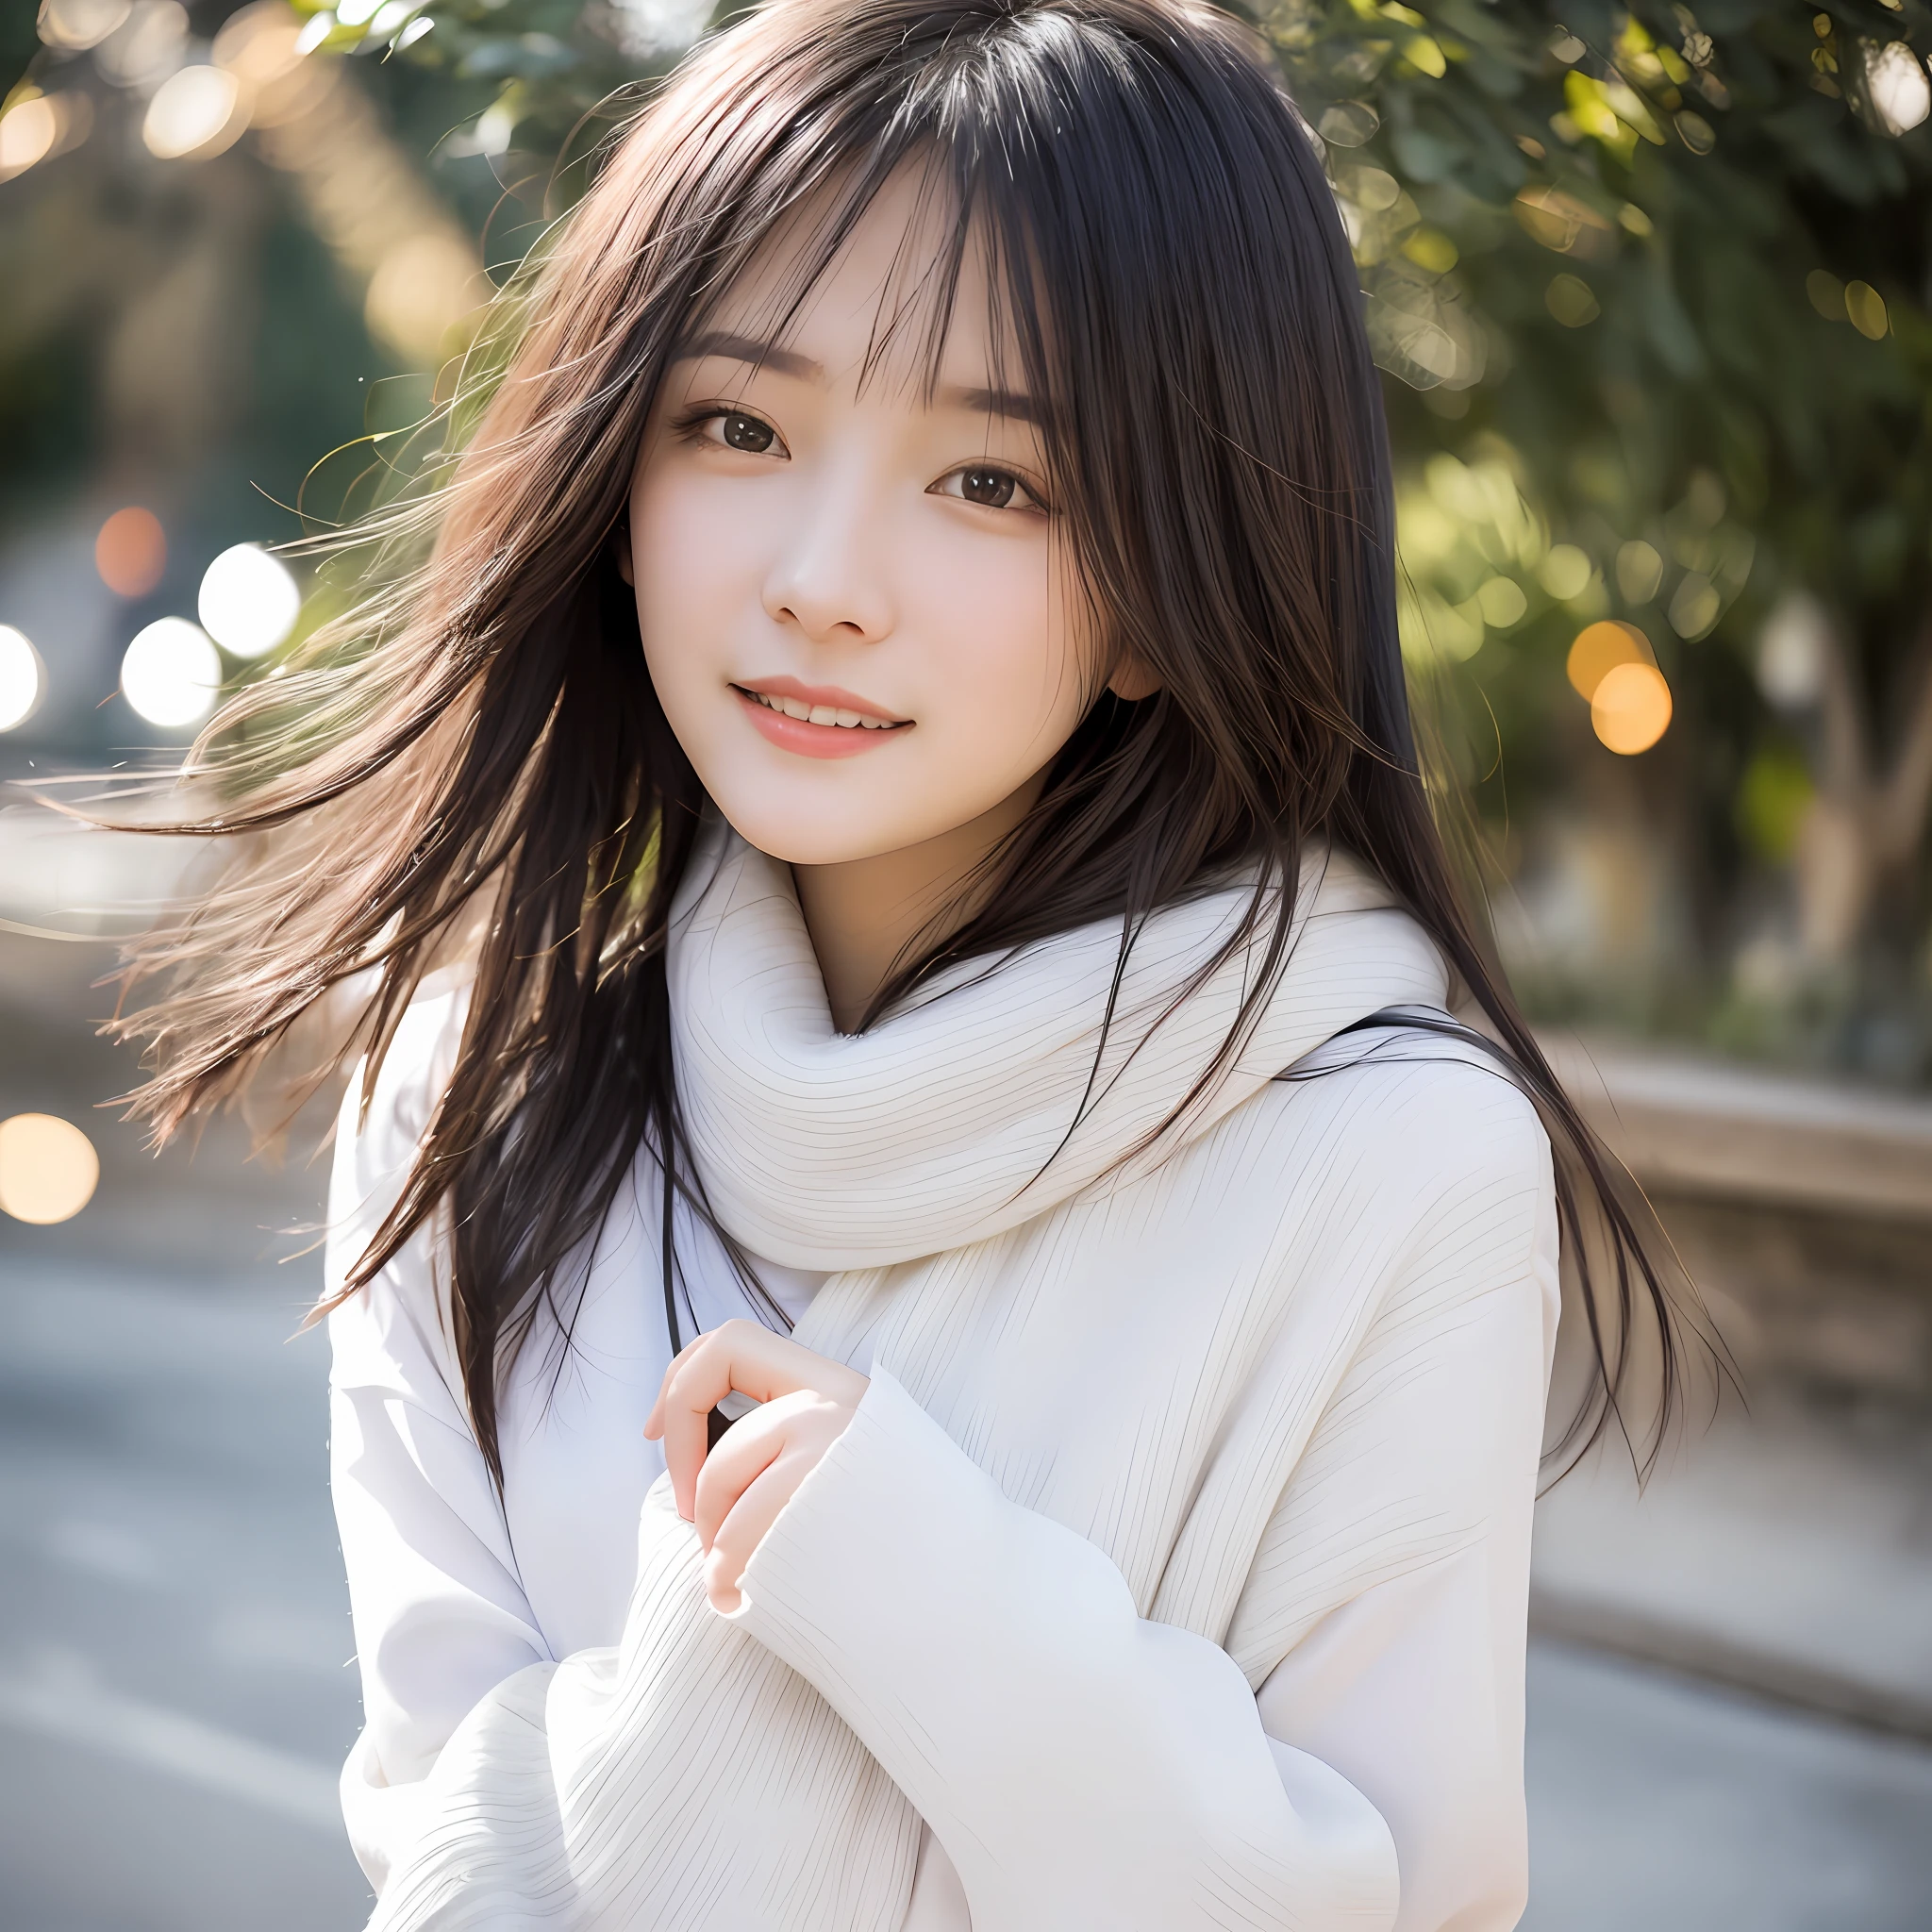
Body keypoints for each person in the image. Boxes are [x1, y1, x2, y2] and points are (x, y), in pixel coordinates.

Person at [113, 2, 1687, 1926]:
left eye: (993, 483)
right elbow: (442, 1848)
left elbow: (1396, 1903)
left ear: (1162, 595)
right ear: (618, 480)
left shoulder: (1388, 1162)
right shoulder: (472, 1097)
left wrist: (912, 1582)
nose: (821, 576)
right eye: (738, 427)